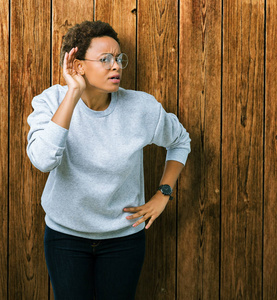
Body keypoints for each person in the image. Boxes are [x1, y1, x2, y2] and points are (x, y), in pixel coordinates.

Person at [26, 20, 190, 300]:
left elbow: (179, 141)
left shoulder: (141, 108)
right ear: (78, 65)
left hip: (123, 240)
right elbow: (42, 160)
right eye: (105, 59)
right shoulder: (51, 101)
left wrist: (164, 193)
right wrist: (73, 94)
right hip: (65, 238)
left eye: (118, 58)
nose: (116, 66)